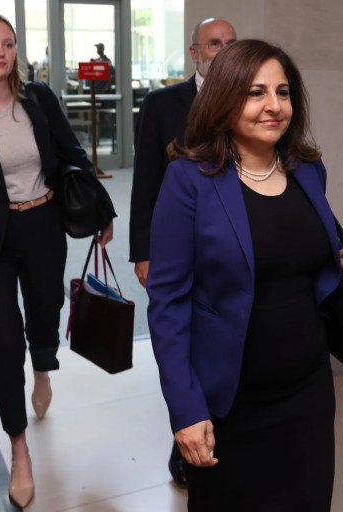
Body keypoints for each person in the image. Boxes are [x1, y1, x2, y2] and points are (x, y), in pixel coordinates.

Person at [146, 39, 343, 511]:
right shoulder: (189, 180)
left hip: (307, 394)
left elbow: (304, 250)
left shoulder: (308, 170)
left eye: (283, 92)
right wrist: (186, 410)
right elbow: (167, 304)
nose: (274, 106)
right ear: (224, 99)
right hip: (229, 403)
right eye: (256, 93)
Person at [0, 13, 114, 509]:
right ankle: (18, 446)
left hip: (43, 227)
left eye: (8, 44)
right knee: (4, 341)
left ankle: (44, 367)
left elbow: (72, 154)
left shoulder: (39, 99)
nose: (1, 52)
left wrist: (101, 212)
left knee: (44, 312)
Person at [128, 17, 236, 487]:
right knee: (182, 344)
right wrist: (142, 250)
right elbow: (146, 182)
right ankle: (185, 438)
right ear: (195, 53)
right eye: (215, 43)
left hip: (229, 249)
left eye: (232, 44)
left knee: (219, 343)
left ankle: (219, 434)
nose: (224, 50)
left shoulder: (250, 102)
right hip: (176, 248)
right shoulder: (161, 104)